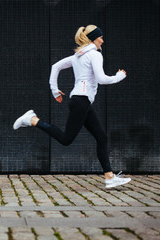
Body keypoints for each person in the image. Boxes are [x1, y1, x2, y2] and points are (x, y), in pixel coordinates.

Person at [13, 25, 131, 189]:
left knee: (101, 137)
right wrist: (119, 76)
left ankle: (109, 177)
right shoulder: (94, 55)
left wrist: (55, 90)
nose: (102, 41)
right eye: (100, 37)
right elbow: (102, 79)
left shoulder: (78, 56)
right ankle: (32, 119)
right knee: (66, 139)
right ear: (93, 38)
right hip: (81, 101)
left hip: (81, 101)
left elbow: (55, 67)